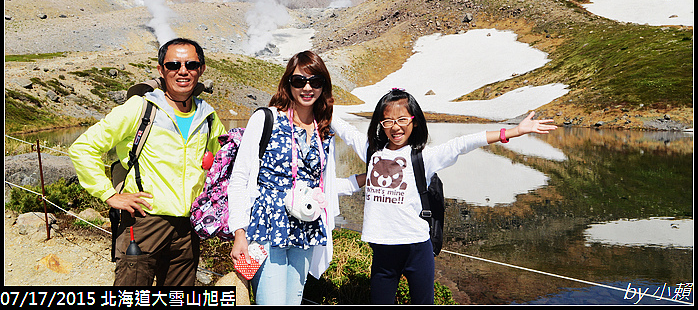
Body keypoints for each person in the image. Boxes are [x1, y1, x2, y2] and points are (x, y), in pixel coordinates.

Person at [332, 88, 557, 304]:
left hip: (417, 248)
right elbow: (345, 130)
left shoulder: (424, 157)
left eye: (402, 120)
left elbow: (461, 144)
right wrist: (311, 103)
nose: (396, 127)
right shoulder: (372, 151)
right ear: (380, 124)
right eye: (388, 121)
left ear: (415, 121)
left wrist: (513, 132)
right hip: (382, 249)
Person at [69, 38, 226, 286]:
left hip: (188, 229)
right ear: (161, 70)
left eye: (191, 64)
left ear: (201, 69)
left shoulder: (208, 117)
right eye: (173, 64)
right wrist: (109, 194)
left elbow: (223, 162)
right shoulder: (140, 108)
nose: (182, 71)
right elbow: (83, 147)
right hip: (143, 222)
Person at [227, 50, 363, 305]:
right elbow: (240, 178)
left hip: (306, 228)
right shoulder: (266, 118)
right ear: (288, 83)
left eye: (315, 81)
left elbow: (324, 186)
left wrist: (365, 178)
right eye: (299, 81)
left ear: (324, 85)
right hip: (267, 226)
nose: (307, 87)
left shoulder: (325, 130)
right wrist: (239, 232)